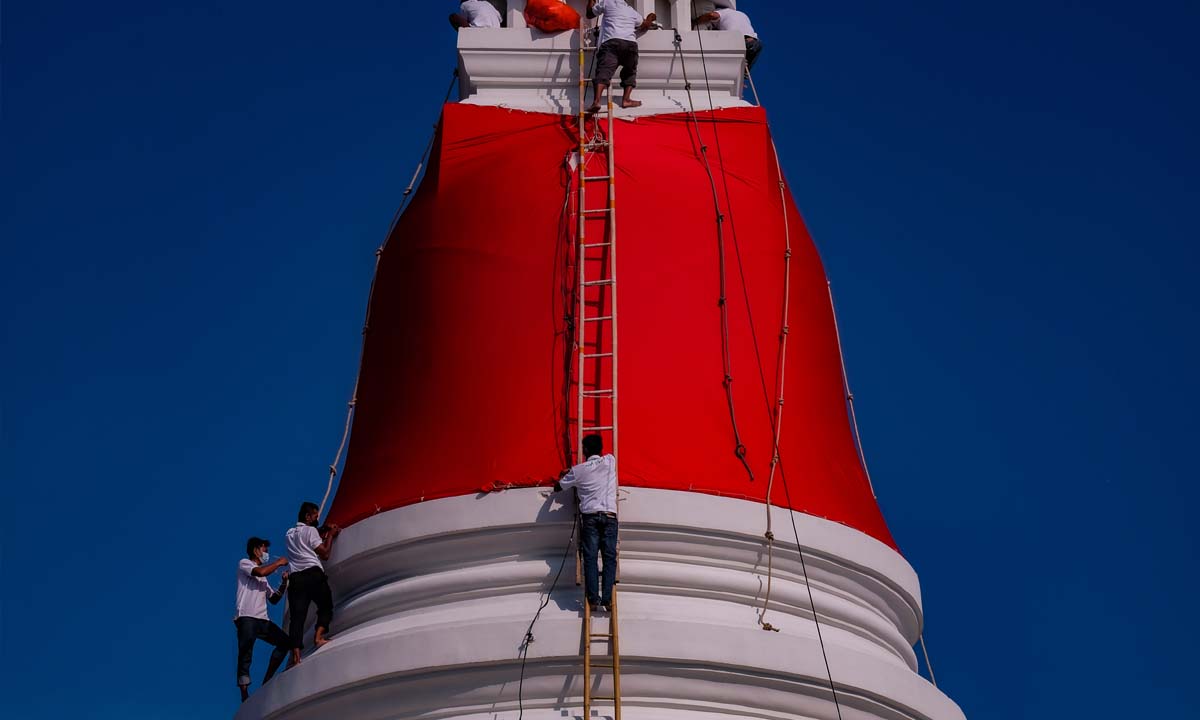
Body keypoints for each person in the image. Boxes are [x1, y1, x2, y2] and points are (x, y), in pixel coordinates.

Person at [556, 434, 618, 611]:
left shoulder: (578, 470)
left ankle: (593, 599)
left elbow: (559, 486)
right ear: (601, 448)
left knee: (590, 558)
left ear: (585, 450)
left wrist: (568, 473)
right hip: (610, 516)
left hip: (590, 518)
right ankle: (607, 598)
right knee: (609, 558)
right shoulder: (610, 461)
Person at [234, 537, 291, 702]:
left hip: (262, 619)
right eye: (264, 549)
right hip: (247, 616)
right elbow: (260, 572)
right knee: (246, 653)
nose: (266, 553)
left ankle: (267, 679)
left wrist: (283, 583)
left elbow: (273, 598)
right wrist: (279, 563)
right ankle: (244, 692)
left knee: (284, 642)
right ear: (255, 550)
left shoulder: (264, 576)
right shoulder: (245, 563)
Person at [285, 502, 341, 665]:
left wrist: (321, 529)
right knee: (326, 605)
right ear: (307, 517)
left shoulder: (288, 533)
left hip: (295, 579)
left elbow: (306, 534)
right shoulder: (310, 531)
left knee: (297, 618)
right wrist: (330, 534)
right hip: (312, 575)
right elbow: (324, 554)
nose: (317, 519)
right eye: (315, 516)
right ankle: (318, 637)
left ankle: (296, 654)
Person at [586, 0, 658, 112]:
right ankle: (626, 100)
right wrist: (650, 17)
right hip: (630, 44)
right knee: (630, 71)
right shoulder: (631, 11)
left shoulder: (606, 2)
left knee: (604, 70)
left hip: (611, 42)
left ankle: (596, 101)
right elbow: (645, 26)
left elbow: (590, 14)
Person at [694, 4, 763, 71]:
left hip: (739, 42)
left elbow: (712, 15)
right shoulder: (741, 14)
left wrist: (696, 21)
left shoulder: (723, 12)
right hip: (754, 43)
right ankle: (744, 73)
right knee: (742, 68)